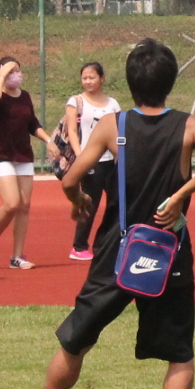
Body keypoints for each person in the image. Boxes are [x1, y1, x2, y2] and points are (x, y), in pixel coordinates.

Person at [13, 37, 195, 389]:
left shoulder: (115, 126)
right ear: (170, 82)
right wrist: (180, 195)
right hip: (168, 247)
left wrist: (76, 200)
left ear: (130, 84)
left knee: (76, 336)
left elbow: (68, 178)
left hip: (118, 248)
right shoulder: (189, 125)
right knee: (179, 347)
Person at [0, 56, 55, 270]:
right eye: (10, 71)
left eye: (18, 70)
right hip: (0, 154)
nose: (16, 75)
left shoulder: (24, 96)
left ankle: (17, 257)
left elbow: (32, 123)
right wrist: (2, 75)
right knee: (12, 202)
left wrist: (49, 140)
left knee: (24, 206)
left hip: (22, 154)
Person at [62, 62, 122, 261]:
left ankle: (109, 243)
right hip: (89, 161)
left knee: (117, 202)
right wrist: (82, 156)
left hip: (110, 161)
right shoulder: (76, 101)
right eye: (85, 78)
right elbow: (71, 130)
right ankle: (79, 246)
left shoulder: (112, 104)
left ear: (102, 78)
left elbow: (118, 132)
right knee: (89, 203)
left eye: (92, 77)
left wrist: (118, 157)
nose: (88, 81)